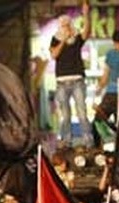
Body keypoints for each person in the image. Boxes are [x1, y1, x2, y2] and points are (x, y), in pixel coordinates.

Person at [49, 1, 93, 148]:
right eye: (63, 25)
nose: (66, 27)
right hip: (62, 82)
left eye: (68, 24)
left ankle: (88, 141)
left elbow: (87, 32)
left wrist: (86, 14)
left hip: (77, 81)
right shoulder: (55, 39)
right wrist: (63, 41)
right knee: (65, 114)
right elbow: (54, 55)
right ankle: (66, 141)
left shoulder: (76, 40)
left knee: (81, 112)